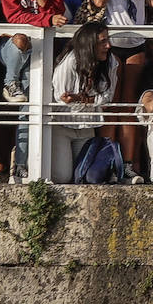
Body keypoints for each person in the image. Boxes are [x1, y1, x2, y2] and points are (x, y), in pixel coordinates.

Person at [84, 0, 153, 177]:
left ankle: (129, 163)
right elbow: (97, 1)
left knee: (129, 106)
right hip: (110, 44)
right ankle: (107, 161)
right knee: (111, 104)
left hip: (136, 44)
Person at [50, 22, 125, 184]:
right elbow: (61, 99)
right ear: (89, 44)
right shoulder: (70, 62)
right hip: (61, 126)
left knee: (83, 177)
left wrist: (80, 99)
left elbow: (107, 99)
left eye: (108, 40)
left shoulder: (110, 62)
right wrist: (88, 101)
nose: (108, 45)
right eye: (102, 42)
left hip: (87, 126)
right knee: (62, 177)